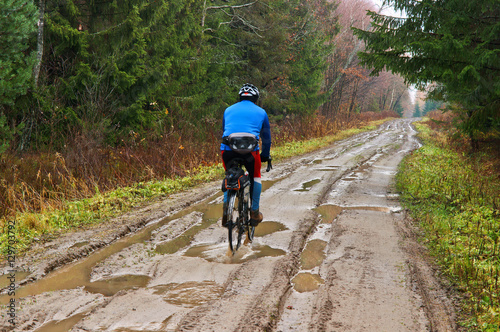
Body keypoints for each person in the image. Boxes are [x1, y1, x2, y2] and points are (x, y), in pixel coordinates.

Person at [220, 83, 271, 227]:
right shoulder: (261, 112)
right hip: (250, 153)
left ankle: (226, 210)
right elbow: (266, 138)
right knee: (255, 176)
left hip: (228, 150)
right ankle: (254, 213)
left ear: (240, 97)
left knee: (229, 175)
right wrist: (265, 155)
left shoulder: (228, 110)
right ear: (256, 98)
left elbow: (225, 130)